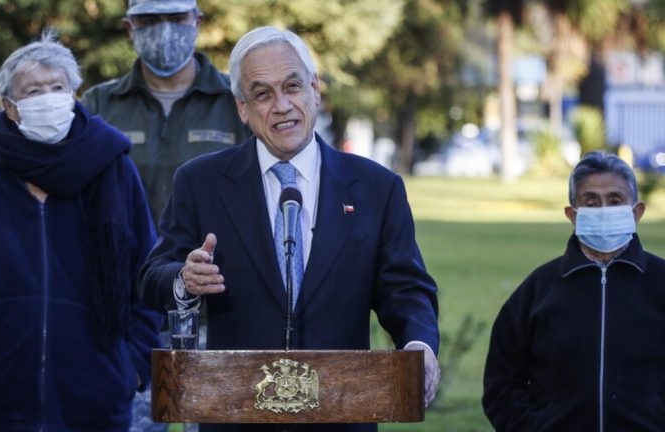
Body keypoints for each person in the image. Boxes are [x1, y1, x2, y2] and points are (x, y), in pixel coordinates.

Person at [138, 26, 441, 432]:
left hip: (341, 417)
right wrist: (183, 278)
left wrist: (418, 344)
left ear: (315, 90)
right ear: (243, 108)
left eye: (292, 86)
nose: (282, 106)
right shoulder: (201, 181)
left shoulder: (376, 188)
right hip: (235, 418)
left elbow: (405, 289)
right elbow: (152, 276)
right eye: (263, 94)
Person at [0, 30, 162, 431]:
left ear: (74, 96)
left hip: (96, 404)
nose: (48, 98)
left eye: (58, 88)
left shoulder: (114, 170)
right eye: (34, 91)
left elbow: (147, 277)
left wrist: (133, 367)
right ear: (10, 107)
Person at [482, 151, 665, 431]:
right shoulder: (538, 291)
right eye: (591, 202)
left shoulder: (660, 283)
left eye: (615, 200)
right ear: (572, 215)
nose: (603, 210)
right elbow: (501, 384)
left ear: (636, 212)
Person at [81, 0, 249, 224]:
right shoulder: (99, 105)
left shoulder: (238, 100)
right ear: (130, 27)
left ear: (197, 22)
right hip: (129, 247)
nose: (165, 30)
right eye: (150, 21)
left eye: (177, 18)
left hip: (214, 246)